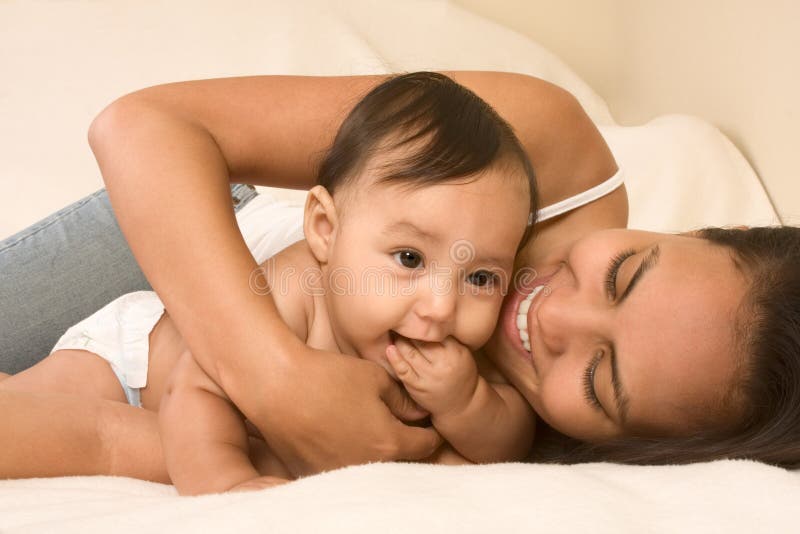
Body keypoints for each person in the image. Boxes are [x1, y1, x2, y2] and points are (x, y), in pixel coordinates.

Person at [1, 71, 798, 487]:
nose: (551, 316)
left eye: (600, 376)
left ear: (630, 443)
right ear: (681, 233)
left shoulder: (521, 448)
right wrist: (282, 382)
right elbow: (141, 126)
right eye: (623, 273)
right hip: (193, 235)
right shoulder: (543, 149)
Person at [0, 72, 540, 494]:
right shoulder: (298, 285)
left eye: (480, 277)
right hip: (132, 363)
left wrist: (467, 403)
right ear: (326, 230)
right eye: (408, 257)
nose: (442, 306)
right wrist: (226, 482)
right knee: (23, 421)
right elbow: (198, 386)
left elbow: (511, 437)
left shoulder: (455, 351)